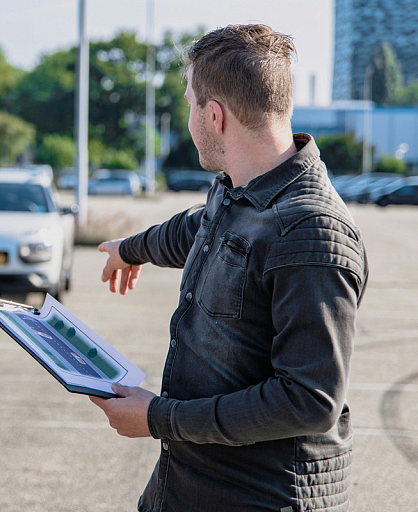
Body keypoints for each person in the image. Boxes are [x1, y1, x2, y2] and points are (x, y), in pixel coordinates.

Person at [90, 24, 368, 512]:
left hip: (257, 497)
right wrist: (131, 248)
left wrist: (158, 418)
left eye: (190, 101)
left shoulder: (311, 233)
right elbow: (199, 230)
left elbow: (309, 400)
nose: (188, 114)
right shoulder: (239, 190)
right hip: (188, 486)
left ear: (213, 115)